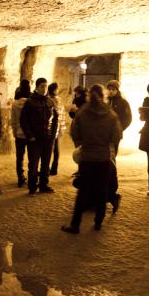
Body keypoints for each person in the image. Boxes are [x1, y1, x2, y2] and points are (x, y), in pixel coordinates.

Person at [61, 84, 122, 233]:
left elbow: (75, 133)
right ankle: (98, 222)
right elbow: (117, 135)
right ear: (104, 96)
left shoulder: (83, 113)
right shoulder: (110, 114)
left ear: (89, 95)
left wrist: (84, 142)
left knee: (83, 191)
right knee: (102, 190)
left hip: (87, 156)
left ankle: (75, 225)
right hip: (103, 157)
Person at [21, 78, 55, 196]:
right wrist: (30, 136)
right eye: (42, 86)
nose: (44, 89)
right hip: (35, 139)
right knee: (34, 164)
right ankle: (32, 187)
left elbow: (55, 120)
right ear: (37, 87)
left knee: (46, 163)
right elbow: (23, 121)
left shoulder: (50, 101)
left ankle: (43, 185)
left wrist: (53, 135)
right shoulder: (30, 102)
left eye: (46, 86)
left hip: (48, 138)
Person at [106, 80, 131, 212]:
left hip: (114, 137)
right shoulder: (105, 102)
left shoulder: (122, 102)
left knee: (111, 161)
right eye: (109, 89)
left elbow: (128, 118)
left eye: (113, 89)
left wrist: (119, 129)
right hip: (104, 136)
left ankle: (111, 192)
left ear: (117, 89)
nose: (110, 91)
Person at [10, 80, 31, 187]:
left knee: (20, 157)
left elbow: (13, 120)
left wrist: (14, 132)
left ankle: (20, 178)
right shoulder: (32, 102)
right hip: (30, 134)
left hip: (19, 134)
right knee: (32, 157)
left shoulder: (14, 104)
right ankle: (32, 176)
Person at [47, 82, 66, 176]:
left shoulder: (47, 99)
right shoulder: (58, 100)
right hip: (57, 127)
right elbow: (62, 115)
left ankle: (47, 168)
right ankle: (54, 168)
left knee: (48, 149)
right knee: (55, 149)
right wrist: (62, 127)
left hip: (49, 129)